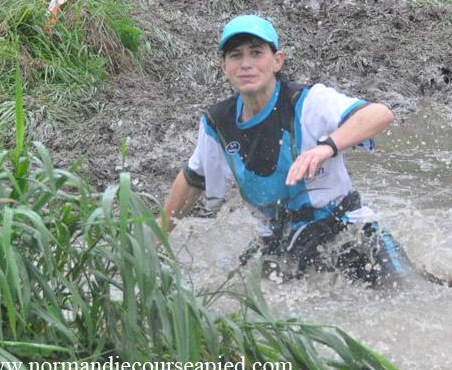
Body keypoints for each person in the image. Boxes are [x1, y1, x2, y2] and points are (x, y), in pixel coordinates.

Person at [160, 14, 412, 287]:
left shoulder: (308, 102)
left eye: (256, 53)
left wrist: (325, 148)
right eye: (235, 56)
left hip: (347, 229)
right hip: (279, 242)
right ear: (224, 66)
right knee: (231, 292)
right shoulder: (217, 124)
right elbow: (193, 179)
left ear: (277, 61)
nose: (246, 64)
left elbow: (379, 114)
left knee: (408, 293)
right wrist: (153, 242)